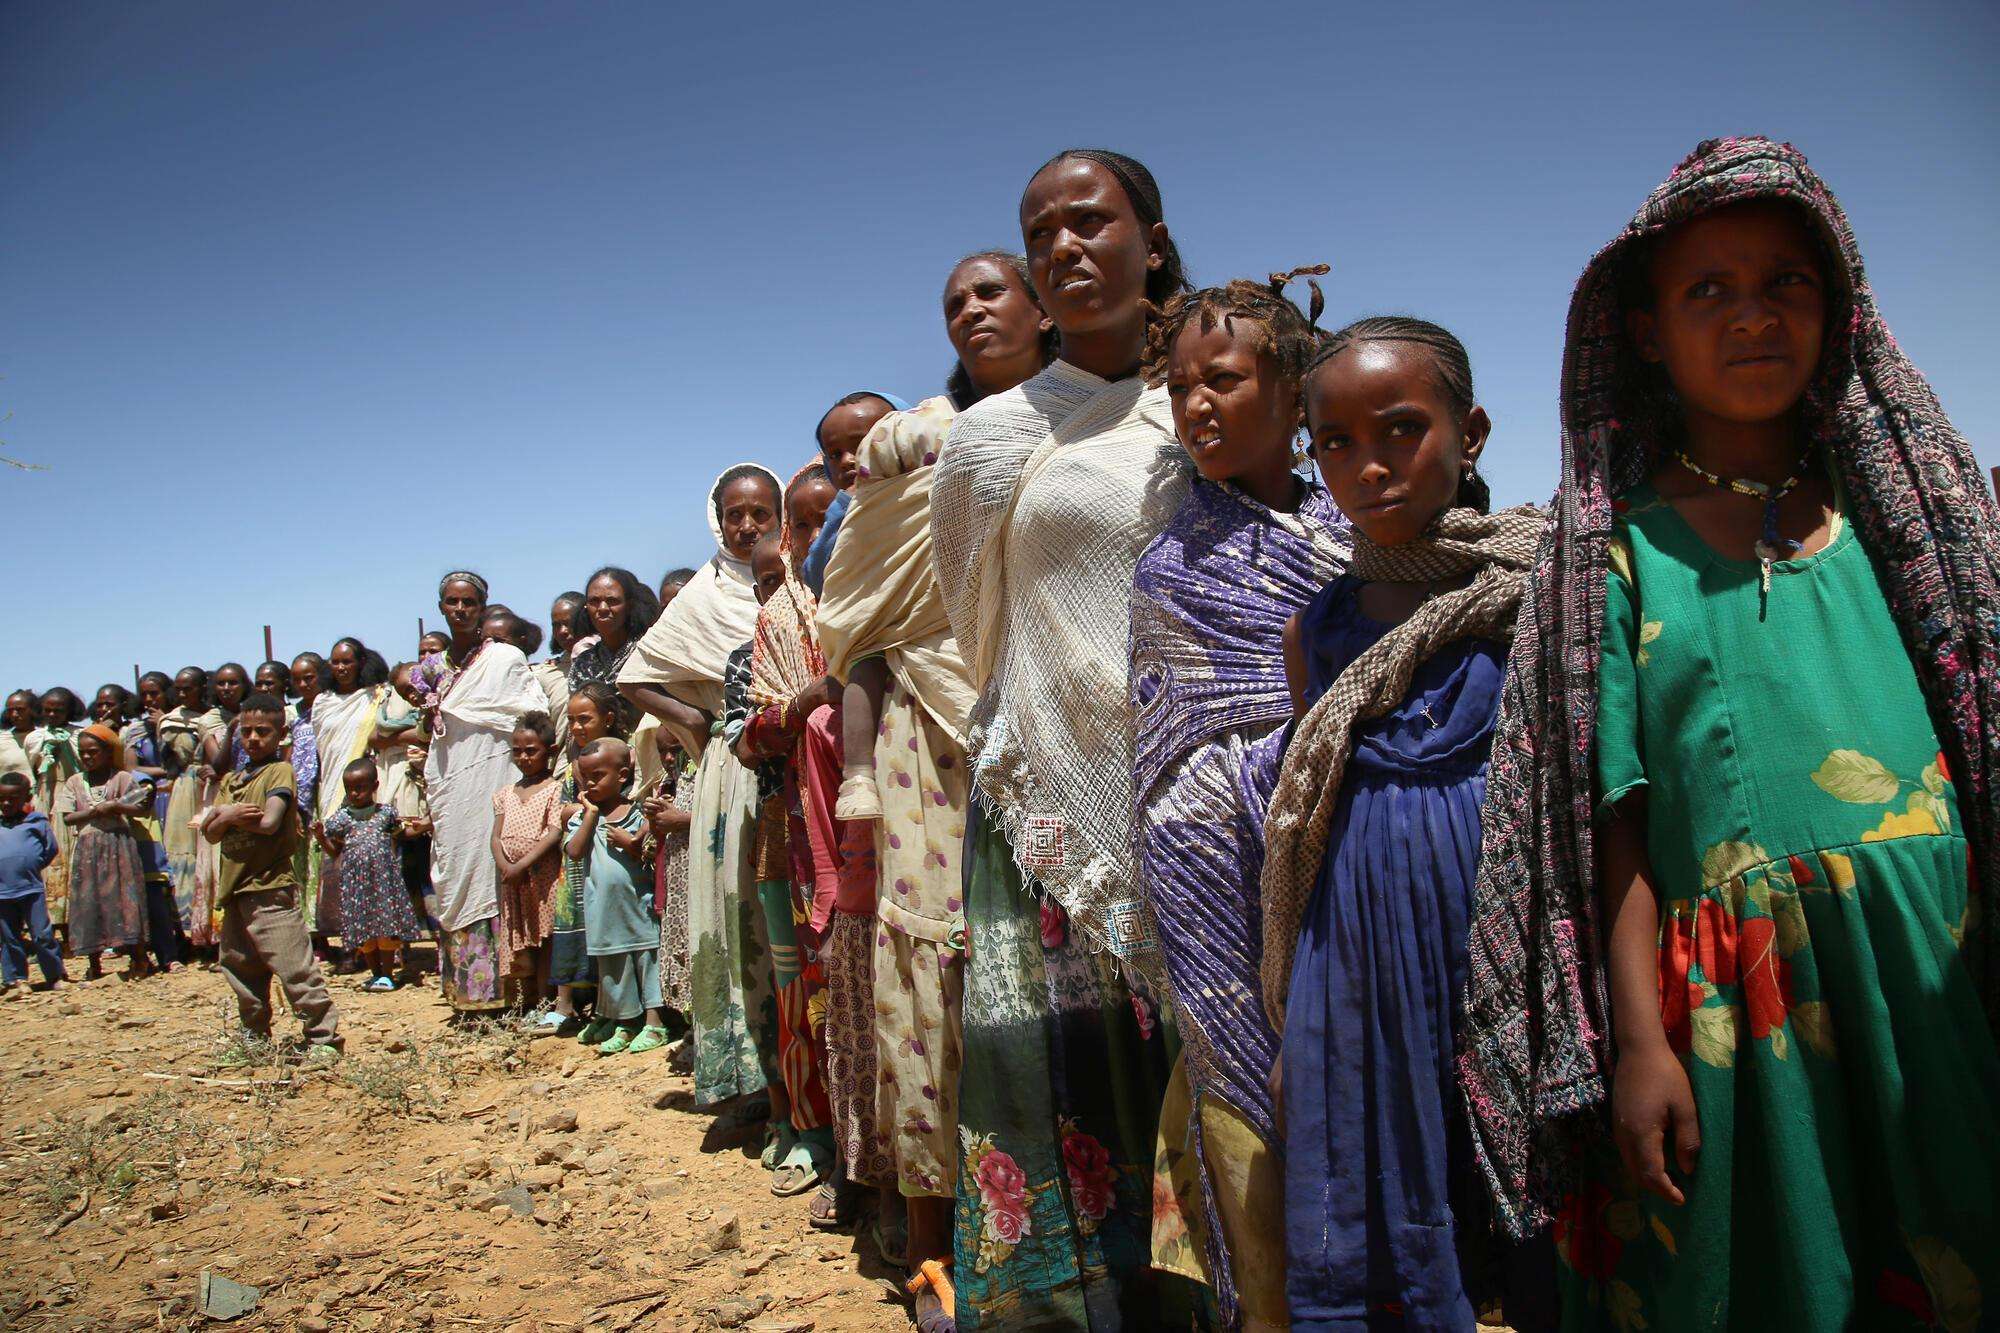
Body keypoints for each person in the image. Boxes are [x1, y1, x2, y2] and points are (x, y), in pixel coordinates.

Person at [1462, 136, 2000, 1331]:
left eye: (1782, 284)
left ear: (1835, 308)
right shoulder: (1611, 555)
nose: (1751, 317)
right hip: (1736, 1019)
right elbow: (1613, 823)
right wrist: (1640, 1044)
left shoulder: (1912, 519)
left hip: (1935, 976)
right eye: (1707, 290)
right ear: (1645, 330)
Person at [929, 147, 1193, 1329]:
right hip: (1047, 816)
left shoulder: (1213, 390)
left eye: (1090, 222)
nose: (1064, 247)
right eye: (1040, 233)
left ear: (1151, 237)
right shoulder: (988, 441)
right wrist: (1060, 734)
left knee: (1205, 1065)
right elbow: (970, 623)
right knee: (1060, 1083)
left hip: (1199, 793)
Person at [1255, 316, 1545, 1329]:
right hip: (1361, 954)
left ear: (1468, 432)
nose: (1367, 464)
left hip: (1505, 939)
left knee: (1532, 1191)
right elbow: (1314, 814)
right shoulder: (1316, 630)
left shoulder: (1530, 589)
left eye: (1399, 430)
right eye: (1333, 442)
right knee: (1383, 1191)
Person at [813, 249, 1057, 1326]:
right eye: (952, 300)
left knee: (1057, 973)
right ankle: (930, 1242)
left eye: (989, 290)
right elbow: (856, 601)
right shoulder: (909, 443)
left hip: (1060, 722)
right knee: (931, 976)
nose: (969, 309)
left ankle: (1065, 1233)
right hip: (925, 732)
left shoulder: (1095, 426)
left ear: (1041, 308)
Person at [1126, 270, 1351, 1330]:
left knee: (1352, 1055)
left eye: (1221, 379)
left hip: (1354, 844)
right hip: (1210, 860)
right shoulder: (1170, 562)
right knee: (1240, 1073)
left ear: (1295, 388)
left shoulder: (1357, 534)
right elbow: (1163, 740)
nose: (1197, 405)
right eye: (1179, 389)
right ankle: (1262, 1308)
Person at [618, 465, 783, 1109]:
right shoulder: (703, 595)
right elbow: (635, 675)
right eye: (735, 513)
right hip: (730, 770)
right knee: (737, 911)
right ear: (718, 518)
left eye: (760, 513)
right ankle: (752, 1083)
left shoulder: (797, 581)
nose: (747, 526)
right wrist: (694, 718)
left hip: (795, 759)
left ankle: (801, 1087)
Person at [741, 523, 837, 1203]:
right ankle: (813, 1130)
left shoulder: (883, 598)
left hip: (877, 822)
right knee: (798, 992)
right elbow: (746, 739)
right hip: (787, 833)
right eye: (798, 523)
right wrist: (806, 699)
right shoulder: (764, 635)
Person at [411, 572, 545, 1016]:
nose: (461, 609)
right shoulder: (431, 666)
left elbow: (530, 712)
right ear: (442, 607)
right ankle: (470, 994)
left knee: (494, 868)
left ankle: (514, 993)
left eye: (469, 602)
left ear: (483, 605)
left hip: (495, 772)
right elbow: (420, 712)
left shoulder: (504, 657)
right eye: (452, 602)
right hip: (452, 780)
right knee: (458, 871)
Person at [200, 691, 340, 1063]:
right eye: (246, 732)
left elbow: (268, 821)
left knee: (294, 966)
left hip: (270, 888)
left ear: (280, 734)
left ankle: (322, 1037)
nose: (253, 739)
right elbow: (210, 832)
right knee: (240, 968)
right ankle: (255, 1036)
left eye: (262, 731)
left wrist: (226, 817)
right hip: (235, 890)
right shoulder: (232, 779)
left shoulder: (280, 771)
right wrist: (228, 815)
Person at [565, 737, 670, 1054]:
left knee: (647, 961)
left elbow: (648, 853)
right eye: (585, 778)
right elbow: (574, 850)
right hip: (603, 912)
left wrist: (630, 843)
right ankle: (625, 1021)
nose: (591, 783)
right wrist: (590, 815)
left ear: (622, 775)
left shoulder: (637, 814)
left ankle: (655, 1023)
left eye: (598, 775)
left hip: (638, 906)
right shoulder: (583, 818)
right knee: (615, 968)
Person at [551, 683, 622, 1037]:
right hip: (576, 858)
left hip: (608, 857)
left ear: (607, 719)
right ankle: (566, 1003)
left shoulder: (620, 757)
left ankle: (608, 1007)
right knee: (575, 923)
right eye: (571, 720)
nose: (577, 727)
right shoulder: (570, 765)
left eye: (585, 719)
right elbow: (561, 811)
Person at [322, 757, 423, 990]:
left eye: (360, 788)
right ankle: (375, 974)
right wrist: (319, 836)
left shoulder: (385, 814)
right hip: (356, 885)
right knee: (363, 929)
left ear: (375, 787)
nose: (355, 794)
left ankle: (387, 974)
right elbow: (334, 851)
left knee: (385, 928)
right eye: (350, 789)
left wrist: (422, 827)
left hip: (383, 882)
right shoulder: (341, 819)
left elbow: (401, 834)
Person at [801, 392, 908, 595]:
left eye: (861, 444)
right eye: (834, 454)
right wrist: (846, 508)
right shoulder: (840, 512)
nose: (847, 460)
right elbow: (818, 578)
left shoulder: (933, 492)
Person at [492, 710, 565, 1006]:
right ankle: (528, 1001)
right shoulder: (505, 793)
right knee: (521, 937)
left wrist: (522, 865)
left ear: (551, 751)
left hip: (541, 878)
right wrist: (506, 867)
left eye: (531, 751)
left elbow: (553, 832)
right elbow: (495, 837)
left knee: (544, 938)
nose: (523, 758)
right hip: (514, 881)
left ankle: (547, 1000)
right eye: (517, 751)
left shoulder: (555, 790)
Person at [123, 672, 186, 973]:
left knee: (180, 870)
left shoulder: (175, 723)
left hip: (178, 800)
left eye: (155, 693)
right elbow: (132, 769)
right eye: (144, 694)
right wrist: (163, 773)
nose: (149, 700)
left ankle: (186, 940)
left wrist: (163, 728)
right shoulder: (134, 732)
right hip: (150, 805)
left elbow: (181, 762)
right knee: (157, 876)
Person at [569, 567, 662, 741]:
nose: (602, 608)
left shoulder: (648, 654)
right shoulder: (583, 663)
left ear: (630, 605)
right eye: (594, 601)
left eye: (612, 601)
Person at [160, 667, 214, 953]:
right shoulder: (170, 722)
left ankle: (208, 929)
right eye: (178, 689)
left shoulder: (213, 716)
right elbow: (168, 764)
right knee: (182, 856)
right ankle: (183, 932)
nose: (182, 694)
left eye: (188, 688)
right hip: (183, 790)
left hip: (210, 786)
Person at [0, 771, 67, 993]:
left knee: (42, 934)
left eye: (13, 798)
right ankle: (17, 979)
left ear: (26, 798)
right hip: (3, 893)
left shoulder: (36, 822)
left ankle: (55, 975)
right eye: (2, 798)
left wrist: (32, 863)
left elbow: (50, 848)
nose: (7, 803)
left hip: (31, 888)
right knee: (10, 938)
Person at [28, 686, 85, 945]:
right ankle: (53, 927)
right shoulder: (35, 737)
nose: (52, 714)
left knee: (72, 860)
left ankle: (77, 927)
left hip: (70, 795)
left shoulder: (79, 736)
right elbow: (32, 769)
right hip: (44, 797)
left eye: (58, 710)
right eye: (48, 710)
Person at [0, 691, 35, 781]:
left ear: (33, 710)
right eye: (10, 710)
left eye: (20, 710)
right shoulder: (2, 741)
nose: (14, 715)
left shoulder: (46, 738)